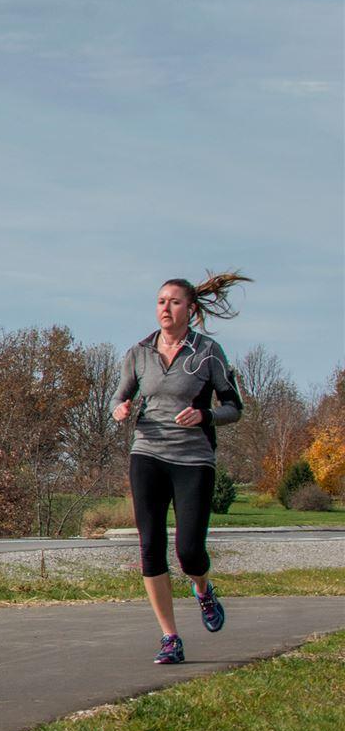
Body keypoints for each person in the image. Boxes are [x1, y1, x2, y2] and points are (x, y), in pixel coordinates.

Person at [113, 272, 250, 664]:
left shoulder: (207, 352)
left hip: (193, 460)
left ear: (190, 309)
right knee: (150, 548)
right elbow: (120, 396)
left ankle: (203, 589)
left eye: (173, 302)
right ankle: (170, 637)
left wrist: (205, 415)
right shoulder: (139, 352)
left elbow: (233, 407)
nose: (165, 309)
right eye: (160, 302)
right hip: (148, 454)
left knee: (189, 551)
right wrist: (120, 409)